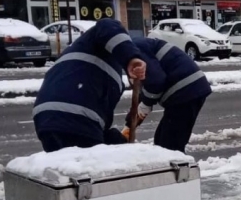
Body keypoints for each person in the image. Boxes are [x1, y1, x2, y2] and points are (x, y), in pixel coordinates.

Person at [32, 19, 146, 152]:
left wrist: (117, 141)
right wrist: (132, 57)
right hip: (76, 115)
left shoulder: (88, 55)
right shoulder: (96, 39)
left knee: (67, 167)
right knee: (89, 167)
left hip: (46, 119)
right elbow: (108, 24)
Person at [121, 37, 212, 152]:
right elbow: (146, 88)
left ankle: (180, 169)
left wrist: (146, 103)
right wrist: (129, 124)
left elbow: (156, 81)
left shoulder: (134, 50)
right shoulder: (133, 50)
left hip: (185, 90)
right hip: (186, 90)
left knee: (169, 147)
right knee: (161, 142)